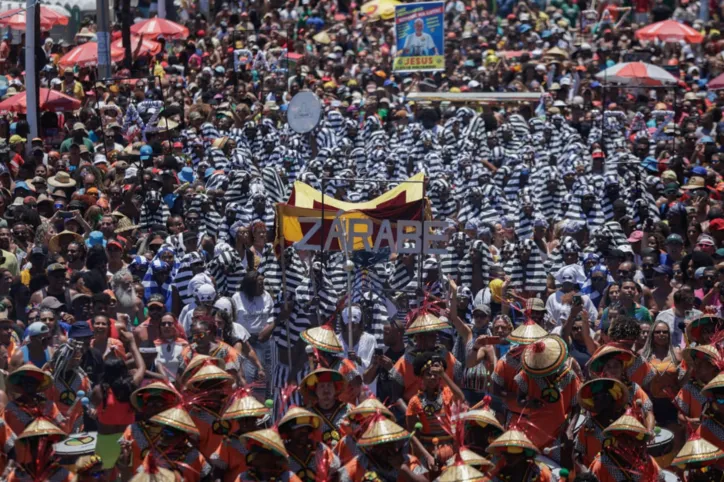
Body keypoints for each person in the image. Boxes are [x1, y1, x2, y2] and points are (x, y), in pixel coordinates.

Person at [90, 330, 145, 474]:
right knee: (129, 474)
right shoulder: (131, 385)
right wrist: (132, 343)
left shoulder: (99, 390)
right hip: (128, 439)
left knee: (107, 474)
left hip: (106, 438)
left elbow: (93, 406)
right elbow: (141, 368)